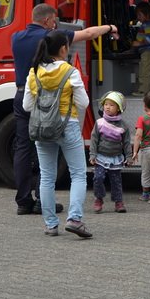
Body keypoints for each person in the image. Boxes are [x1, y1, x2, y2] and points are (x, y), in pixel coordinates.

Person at [10, 3, 117, 216]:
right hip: (51, 99)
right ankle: (43, 201)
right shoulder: (53, 38)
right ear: (49, 20)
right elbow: (88, 33)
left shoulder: (16, 37)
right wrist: (110, 27)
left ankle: (23, 201)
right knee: (48, 152)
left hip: (24, 93)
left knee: (23, 149)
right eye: (54, 20)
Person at [23, 30, 92, 238]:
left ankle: (51, 224)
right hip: (67, 125)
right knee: (78, 174)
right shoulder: (70, 72)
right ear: (63, 48)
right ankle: (74, 219)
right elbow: (84, 103)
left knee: (46, 176)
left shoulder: (33, 73)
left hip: (42, 128)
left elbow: (27, 106)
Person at [90, 90, 130, 213]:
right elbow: (94, 139)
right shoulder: (99, 123)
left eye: (112, 105)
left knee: (116, 180)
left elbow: (127, 142)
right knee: (98, 178)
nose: (107, 107)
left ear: (118, 108)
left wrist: (128, 156)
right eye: (106, 104)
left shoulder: (123, 125)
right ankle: (99, 198)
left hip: (115, 157)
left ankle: (118, 202)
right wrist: (93, 154)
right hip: (101, 157)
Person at [131, 2, 150, 95]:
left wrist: (138, 43)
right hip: (147, 52)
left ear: (147, 14)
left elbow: (149, 39)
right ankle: (149, 91)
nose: (138, 17)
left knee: (145, 72)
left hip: (148, 52)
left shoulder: (149, 25)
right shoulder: (146, 24)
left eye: (140, 15)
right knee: (146, 71)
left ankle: (144, 91)